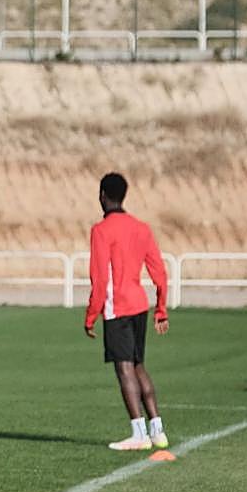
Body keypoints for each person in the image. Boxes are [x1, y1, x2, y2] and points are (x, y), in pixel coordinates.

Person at [85, 172, 170, 451]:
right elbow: (159, 271)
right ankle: (157, 430)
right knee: (138, 365)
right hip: (139, 304)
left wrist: (91, 315)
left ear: (102, 196)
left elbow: (99, 277)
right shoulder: (141, 228)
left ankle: (138, 433)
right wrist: (160, 308)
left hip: (117, 305)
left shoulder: (101, 230)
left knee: (124, 369)